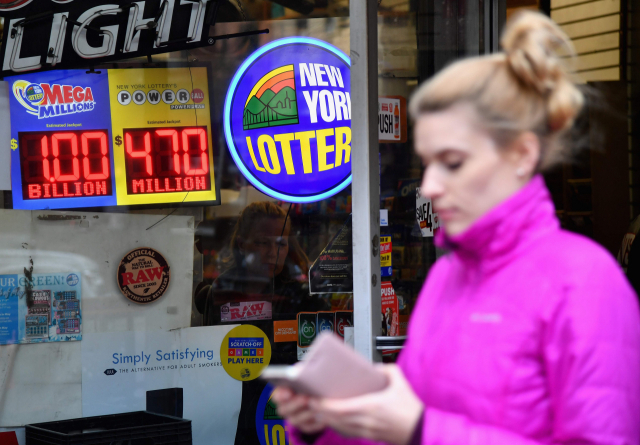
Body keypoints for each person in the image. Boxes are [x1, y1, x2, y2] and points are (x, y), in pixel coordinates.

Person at [272, 10, 640, 445]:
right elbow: (398, 428)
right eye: (427, 162)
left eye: (453, 163)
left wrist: (423, 430)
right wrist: (325, 424)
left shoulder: (585, 281)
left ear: (522, 154)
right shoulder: (447, 276)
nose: (429, 185)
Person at [195, 201, 329, 445]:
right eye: (262, 242)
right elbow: (211, 362)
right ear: (241, 244)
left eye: (281, 243)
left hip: (285, 411)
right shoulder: (223, 290)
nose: (272, 252)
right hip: (234, 412)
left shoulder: (301, 294)